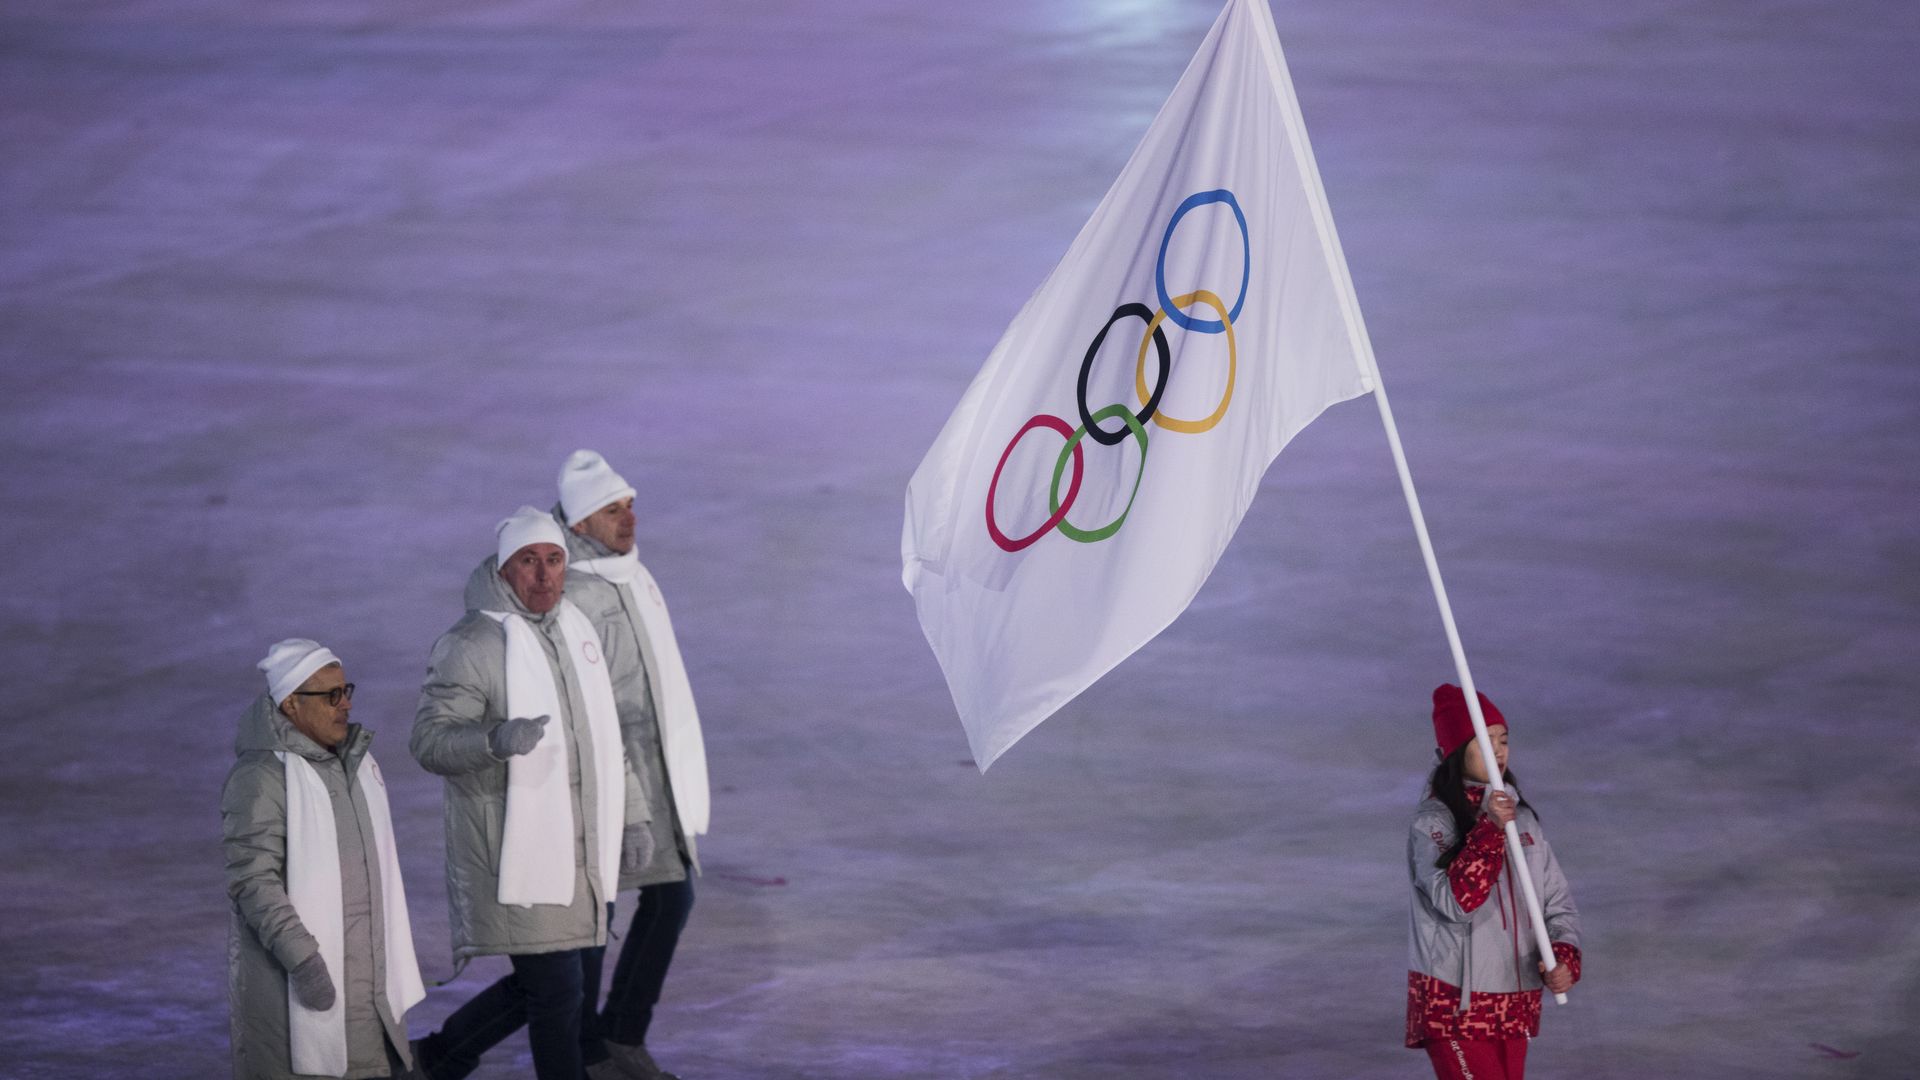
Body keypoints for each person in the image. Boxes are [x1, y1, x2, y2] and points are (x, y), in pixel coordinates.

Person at [409, 507, 653, 1080]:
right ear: (504, 567)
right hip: (512, 850)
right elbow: (428, 741)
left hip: (581, 851)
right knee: (558, 990)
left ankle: (439, 1058)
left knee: (546, 987)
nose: (544, 576)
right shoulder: (471, 643)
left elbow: (605, 735)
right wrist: (493, 739)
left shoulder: (576, 630)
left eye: (553, 560)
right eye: (528, 561)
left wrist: (634, 816)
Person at [554, 450, 711, 1080]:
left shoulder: (631, 573)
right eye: (610, 510)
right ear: (578, 523)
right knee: (599, 915)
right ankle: (586, 1048)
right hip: (606, 776)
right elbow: (597, 712)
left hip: (655, 768)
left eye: (629, 505)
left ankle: (620, 1033)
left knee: (674, 896)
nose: (628, 518)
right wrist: (632, 807)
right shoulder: (575, 595)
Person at [222, 639, 426, 1080]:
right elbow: (253, 882)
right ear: (291, 702)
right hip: (302, 989)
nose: (346, 704)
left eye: (346, 690)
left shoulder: (356, 764)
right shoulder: (261, 778)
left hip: (368, 989)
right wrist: (305, 960)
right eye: (331, 695)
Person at [1406, 684, 1583, 1080]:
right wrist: (1489, 829)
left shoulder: (1525, 821)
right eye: (1484, 741)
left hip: (1514, 1002)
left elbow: (1557, 904)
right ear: (1455, 751)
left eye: (1503, 740)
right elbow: (1455, 901)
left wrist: (1562, 958)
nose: (1499, 751)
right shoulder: (1433, 822)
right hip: (1455, 1005)